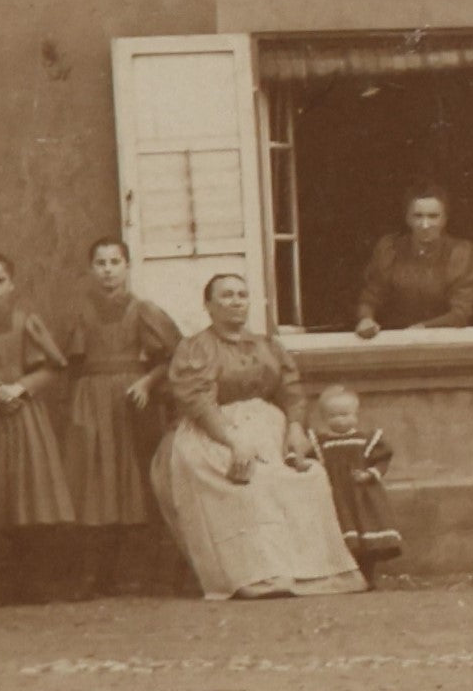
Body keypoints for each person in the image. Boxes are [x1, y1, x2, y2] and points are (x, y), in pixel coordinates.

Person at [154, 274, 366, 600]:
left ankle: (312, 573)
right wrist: (233, 440)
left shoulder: (267, 346)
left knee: (308, 479)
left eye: (242, 295)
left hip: (271, 432)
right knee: (253, 484)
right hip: (213, 433)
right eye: (226, 296)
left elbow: (290, 391)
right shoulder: (197, 347)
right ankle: (260, 574)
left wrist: (295, 428)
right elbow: (197, 400)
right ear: (208, 306)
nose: (236, 301)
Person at [63, 237, 181, 599]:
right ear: (90, 269)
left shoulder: (144, 310)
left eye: (115, 262)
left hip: (132, 398)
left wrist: (147, 382)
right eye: (100, 263)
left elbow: (173, 357)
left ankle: (141, 574)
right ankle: (95, 575)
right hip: (91, 399)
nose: (108, 270)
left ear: (128, 267)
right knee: (94, 481)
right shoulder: (80, 312)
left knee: (133, 476)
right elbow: (72, 364)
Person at [0, 251, 74, 604]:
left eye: (0, 281)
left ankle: (33, 581)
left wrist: (20, 387)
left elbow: (53, 367)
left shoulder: (27, 321)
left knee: (32, 492)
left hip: (25, 415)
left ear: (12, 283)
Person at [355, 185, 473, 338]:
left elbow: (461, 313)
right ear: (407, 218)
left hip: (443, 340)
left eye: (433, 216)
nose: (425, 224)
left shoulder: (461, 253)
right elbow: (370, 297)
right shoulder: (390, 249)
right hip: (394, 340)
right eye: (418, 216)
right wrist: (366, 319)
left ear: (445, 219)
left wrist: (422, 328)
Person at [308, 385, 402, 587]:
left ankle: (368, 575)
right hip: (336, 496)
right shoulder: (321, 443)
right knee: (342, 536)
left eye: (345, 414)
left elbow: (382, 460)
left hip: (361, 496)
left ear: (355, 414)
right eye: (333, 416)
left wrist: (369, 474)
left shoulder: (365, 440)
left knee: (365, 533)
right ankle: (347, 577)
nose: (340, 420)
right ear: (324, 418)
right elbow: (309, 460)